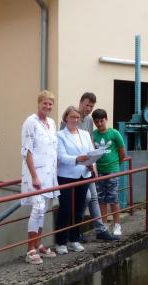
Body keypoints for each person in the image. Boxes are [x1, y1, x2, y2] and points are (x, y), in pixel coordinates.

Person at [60, 92, 117, 242]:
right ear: (80, 103)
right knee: (86, 198)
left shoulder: (90, 121)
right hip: (72, 170)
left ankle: (101, 229)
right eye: (87, 105)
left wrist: (94, 165)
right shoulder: (69, 119)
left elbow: (90, 142)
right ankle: (75, 231)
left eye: (92, 106)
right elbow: (62, 147)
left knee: (94, 197)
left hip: (88, 167)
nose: (89, 108)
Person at [20, 90, 59, 264]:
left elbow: (53, 150)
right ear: (39, 103)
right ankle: (30, 250)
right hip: (36, 174)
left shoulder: (51, 123)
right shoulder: (30, 122)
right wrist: (34, 176)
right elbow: (27, 151)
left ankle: (39, 244)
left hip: (49, 174)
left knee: (43, 210)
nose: (48, 106)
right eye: (45, 103)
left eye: (50, 104)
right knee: (37, 209)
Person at [54, 106, 93, 254]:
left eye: (77, 117)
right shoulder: (60, 135)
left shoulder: (85, 134)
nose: (75, 120)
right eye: (72, 117)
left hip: (84, 174)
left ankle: (74, 239)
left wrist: (91, 164)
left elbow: (91, 152)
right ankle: (61, 242)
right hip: (66, 176)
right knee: (65, 209)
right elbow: (61, 156)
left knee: (78, 210)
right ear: (66, 118)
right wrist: (76, 159)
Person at [91, 108, 126, 237]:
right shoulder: (93, 135)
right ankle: (104, 224)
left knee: (113, 198)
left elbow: (122, 154)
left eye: (101, 121)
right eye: (96, 122)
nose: (99, 124)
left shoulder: (114, 133)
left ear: (106, 119)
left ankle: (117, 225)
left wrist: (115, 166)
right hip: (98, 172)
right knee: (101, 199)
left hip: (112, 171)